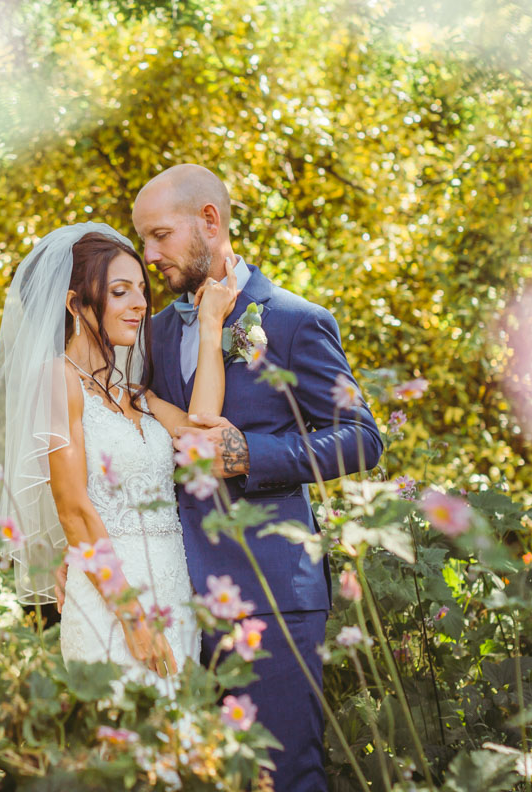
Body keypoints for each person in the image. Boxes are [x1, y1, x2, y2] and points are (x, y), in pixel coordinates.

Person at [133, 164, 385, 792]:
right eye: (143, 241)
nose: (149, 255)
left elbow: (363, 438)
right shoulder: (153, 333)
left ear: (209, 222)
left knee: (286, 776)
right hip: (179, 599)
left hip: (273, 592)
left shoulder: (296, 320)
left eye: (159, 236)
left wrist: (250, 453)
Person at [0, 223, 236, 686]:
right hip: (114, 605)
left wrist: (210, 327)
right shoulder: (55, 380)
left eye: (142, 290)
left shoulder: (137, 397)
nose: (141, 304)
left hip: (173, 595)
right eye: (120, 292)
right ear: (76, 305)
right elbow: (75, 512)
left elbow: (202, 430)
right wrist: (132, 618)